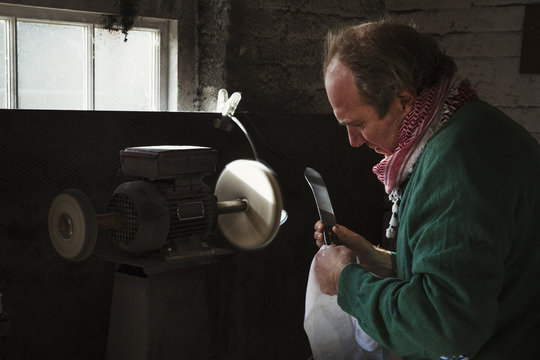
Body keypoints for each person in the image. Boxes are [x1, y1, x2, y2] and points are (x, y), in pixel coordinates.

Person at [312, 19, 540, 360]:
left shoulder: (457, 162)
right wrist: (378, 261)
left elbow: (444, 326)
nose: (354, 141)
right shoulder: (466, 126)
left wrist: (347, 281)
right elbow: (469, 269)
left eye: (358, 124)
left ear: (404, 100)